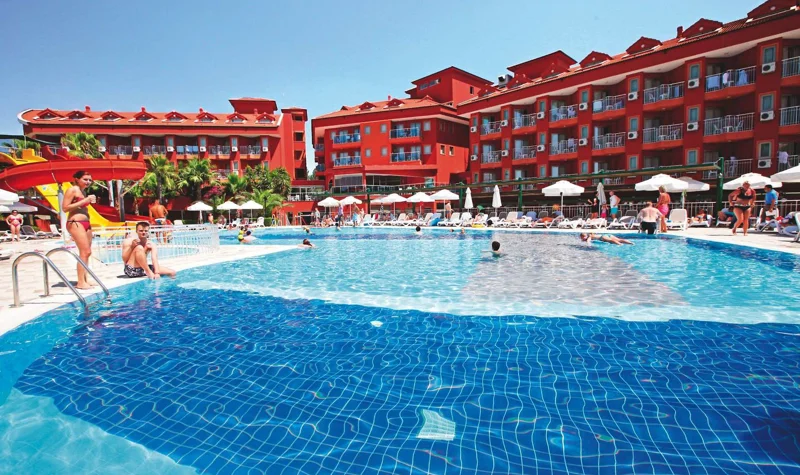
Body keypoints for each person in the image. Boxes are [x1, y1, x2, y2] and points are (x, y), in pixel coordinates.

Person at [62, 170, 96, 289]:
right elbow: (65, 208)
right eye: (85, 179)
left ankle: (85, 279)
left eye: (90, 180)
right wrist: (84, 201)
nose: (88, 182)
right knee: (84, 252)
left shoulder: (83, 192)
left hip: (85, 223)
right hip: (75, 223)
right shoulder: (72, 190)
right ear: (77, 179)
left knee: (88, 252)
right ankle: (80, 282)